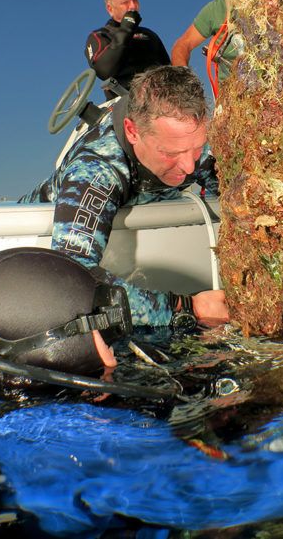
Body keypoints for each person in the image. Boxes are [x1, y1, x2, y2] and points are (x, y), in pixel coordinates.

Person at [21, 65, 228, 363]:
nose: (189, 168)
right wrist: (186, 307)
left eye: (195, 149)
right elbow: (69, 279)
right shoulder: (96, 169)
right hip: (28, 239)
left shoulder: (193, 147)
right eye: (170, 154)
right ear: (132, 131)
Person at [171, 0, 283, 92]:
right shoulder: (218, 9)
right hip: (231, 97)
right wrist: (184, 80)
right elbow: (183, 44)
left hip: (276, 94)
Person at [85, 0, 170, 99]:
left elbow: (168, 68)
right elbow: (104, 71)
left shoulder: (150, 35)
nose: (133, 6)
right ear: (110, 9)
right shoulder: (99, 36)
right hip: (125, 102)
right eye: (125, 2)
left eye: (135, 1)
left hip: (162, 98)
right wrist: (126, 29)